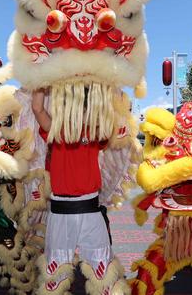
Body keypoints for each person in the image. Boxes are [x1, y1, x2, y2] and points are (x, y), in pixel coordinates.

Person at [32, 88, 125, 294]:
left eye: (82, 108)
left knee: (102, 269)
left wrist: (110, 83)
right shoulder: (56, 129)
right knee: (56, 272)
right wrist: (39, 82)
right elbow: (37, 108)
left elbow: (115, 114)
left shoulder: (94, 131)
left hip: (90, 210)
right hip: (60, 212)